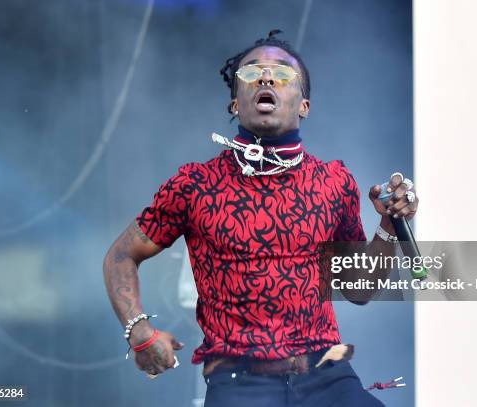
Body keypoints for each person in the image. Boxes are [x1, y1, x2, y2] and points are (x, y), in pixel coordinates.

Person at [103, 30, 418, 407]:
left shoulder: (334, 182)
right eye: (252, 74)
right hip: (240, 384)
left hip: (326, 377)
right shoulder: (195, 185)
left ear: (304, 105)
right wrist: (139, 333)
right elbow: (121, 256)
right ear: (235, 103)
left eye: (282, 74)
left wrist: (386, 227)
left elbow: (358, 290)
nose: (266, 78)